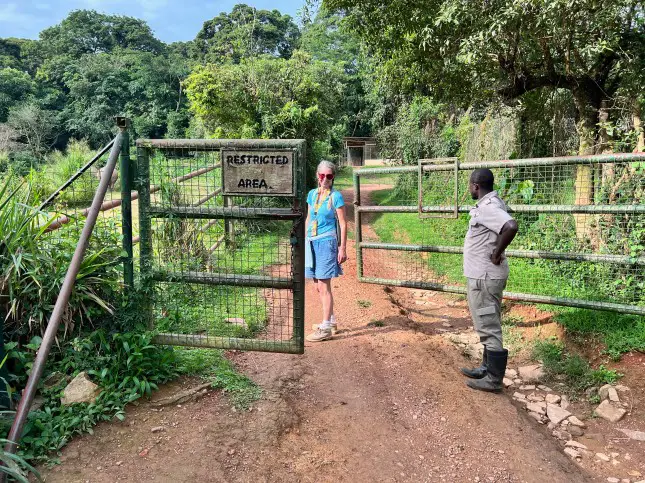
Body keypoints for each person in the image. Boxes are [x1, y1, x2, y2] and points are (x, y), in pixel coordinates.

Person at [460, 168, 518, 392]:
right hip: (484, 275)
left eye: (470, 185)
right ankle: (486, 367)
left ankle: (494, 379)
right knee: (488, 320)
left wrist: (496, 253)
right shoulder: (493, 203)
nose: (470, 189)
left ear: (475, 186)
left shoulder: (489, 208)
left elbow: (510, 226)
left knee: (488, 324)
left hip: (484, 276)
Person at [305, 160, 348, 342]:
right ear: (317, 176)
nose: (325, 179)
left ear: (333, 178)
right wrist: (304, 240)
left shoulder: (335, 197)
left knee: (324, 285)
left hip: (327, 242)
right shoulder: (312, 195)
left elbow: (343, 223)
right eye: (322, 175)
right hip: (312, 242)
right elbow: (308, 217)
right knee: (317, 285)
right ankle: (330, 319)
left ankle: (325, 327)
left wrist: (342, 247)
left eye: (329, 176)